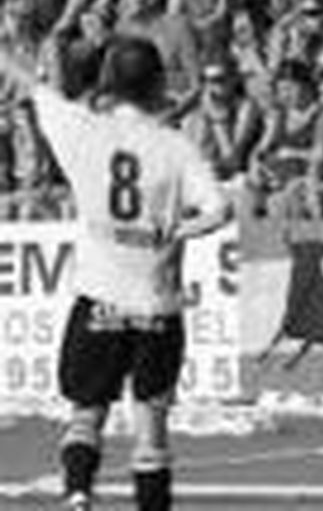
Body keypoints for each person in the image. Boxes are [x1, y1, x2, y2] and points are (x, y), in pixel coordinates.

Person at [27, 36, 230, 511]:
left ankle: (78, 494)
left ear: (107, 84)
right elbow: (219, 210)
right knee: (151, 428)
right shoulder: (175, 147)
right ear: (159, 84)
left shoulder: (83, 130)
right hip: (155, 301)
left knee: (85, 414)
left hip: (99, 296)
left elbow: (36, 87)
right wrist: (177, 230)